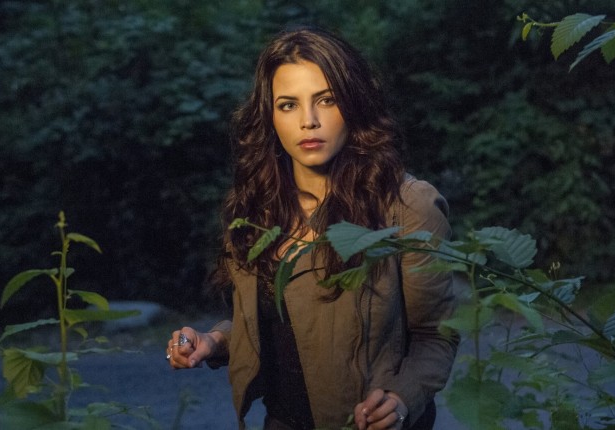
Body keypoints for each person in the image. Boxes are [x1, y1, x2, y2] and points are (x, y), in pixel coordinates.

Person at [165, 26, 458, 430]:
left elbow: (436, 333)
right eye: (288, 105)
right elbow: (280, 326)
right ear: (269, 116)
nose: (309, 121)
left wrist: (401, 398)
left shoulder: (406, 206)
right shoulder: (256, 208)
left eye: (327, 100)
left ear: (354, 104)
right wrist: (213, 342)